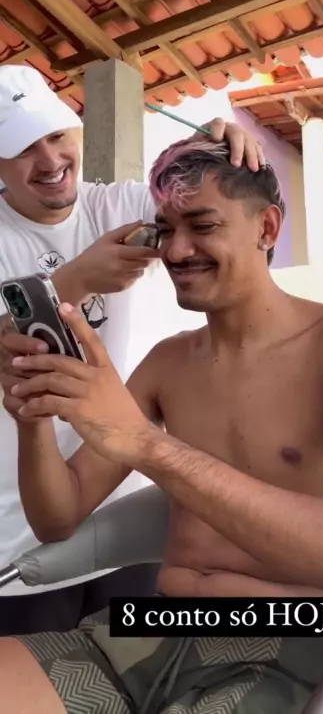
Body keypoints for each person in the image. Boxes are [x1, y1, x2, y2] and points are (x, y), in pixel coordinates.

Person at [0, 135, 323, 714]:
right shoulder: (169, 362)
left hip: (294, 637)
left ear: (267, 228)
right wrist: (32, 415)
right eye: (165, 229)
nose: (176, 249)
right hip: (155, 624)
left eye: (203, 225)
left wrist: (147, 446)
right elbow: (56, 517)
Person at [0, 64, 264, 635]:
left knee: (131, 667)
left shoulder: (117, 206)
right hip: (15, 534)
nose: (49, 159)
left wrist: (216, 147)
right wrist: (72, 280)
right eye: (22, 148)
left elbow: (204, 205)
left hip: (122, 515)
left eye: (55, 135)